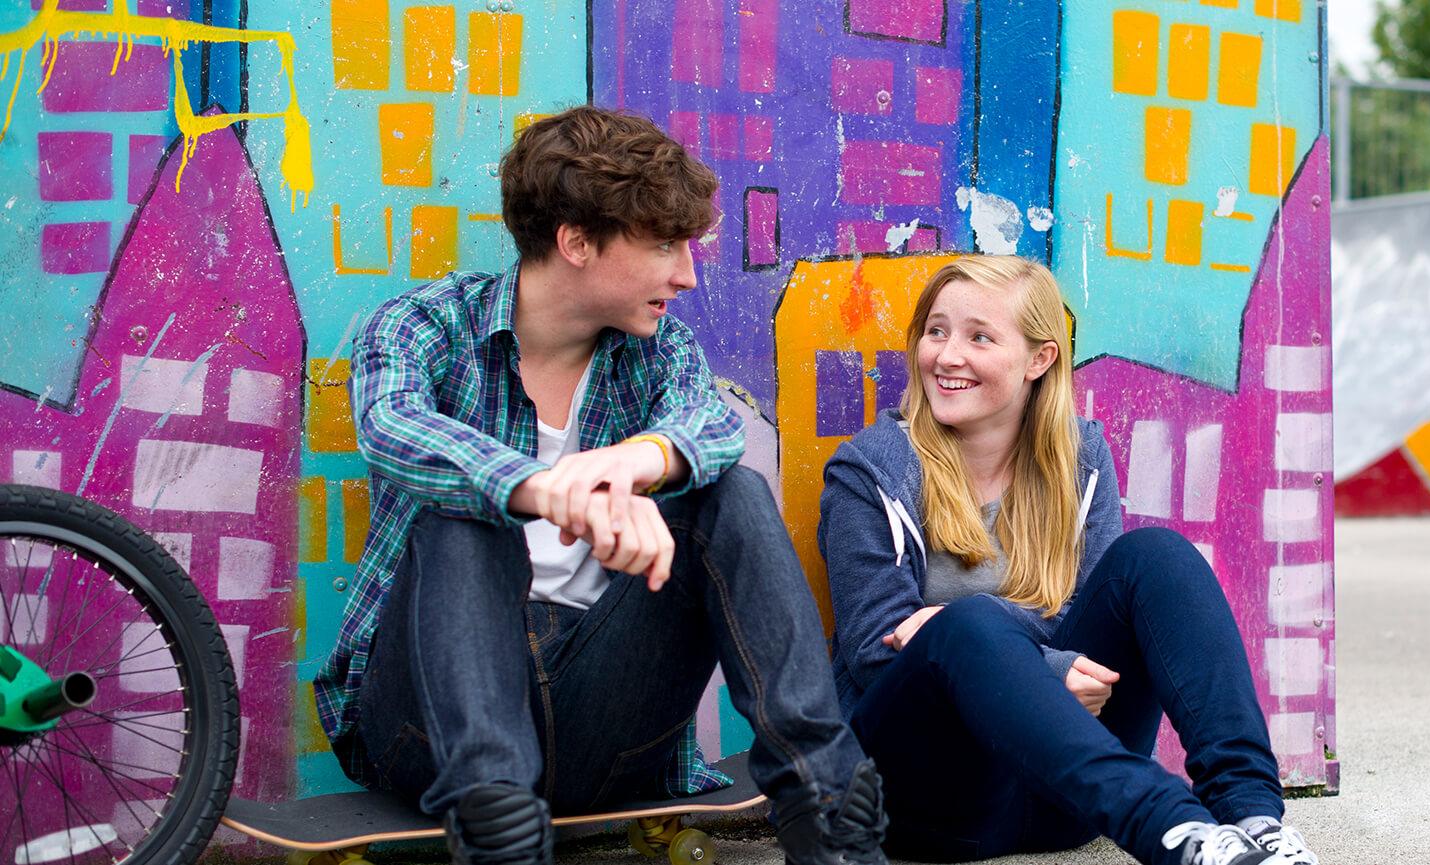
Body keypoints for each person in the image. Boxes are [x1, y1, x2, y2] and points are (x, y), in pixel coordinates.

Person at [313, 106, 887, 865]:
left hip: (607, 716)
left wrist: (638, 460)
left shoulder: (659, 351)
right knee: (459, 517)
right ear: (576, 242)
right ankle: (499, 838)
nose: (685, 273)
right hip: (432, 734)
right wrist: (541, 487)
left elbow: (711, 430)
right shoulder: (426, 325)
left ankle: (829, 815)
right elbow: (390, 426)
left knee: (731, 491)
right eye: (662, 245)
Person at [818, 256, 1319, 865]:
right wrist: (1042, 664)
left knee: (1158, 556)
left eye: (979, 336)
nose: (947, 356)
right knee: (970, 623)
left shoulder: (1081, 460)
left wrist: (965, 638)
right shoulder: (869, 471)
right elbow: (876, 652)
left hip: (1064, 797)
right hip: (930, 805)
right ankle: (1180, 836)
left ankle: (1254, 820)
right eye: (936, 331)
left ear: (1040, 359)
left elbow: (1100, 627)